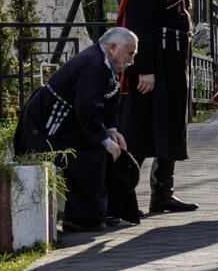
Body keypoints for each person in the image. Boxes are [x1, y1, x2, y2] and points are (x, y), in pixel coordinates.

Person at [14, 27, 142, 232]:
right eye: (130, 53)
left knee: (107, 149)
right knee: (91, 154)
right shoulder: (93, 64)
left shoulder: (107, 63)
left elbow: (109, 100)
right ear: (113, 47)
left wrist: (111, 131)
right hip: (46, 128)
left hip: (67, 122)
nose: (132, 61)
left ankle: (105, 210)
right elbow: (87, 109)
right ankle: (81, 218)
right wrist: (105, 141)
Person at [117, 0, 200, 213]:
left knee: (171, 129)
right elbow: (137, 26)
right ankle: (118, 198)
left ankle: (162, 193)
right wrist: (143, 69)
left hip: (174, 67)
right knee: (139, 132)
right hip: (154, 69)